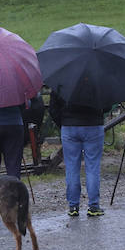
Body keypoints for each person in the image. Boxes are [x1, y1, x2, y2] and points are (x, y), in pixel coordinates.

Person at [49, 89, 106, 217]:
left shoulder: (62, 79)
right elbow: (107, 104)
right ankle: (93, 206)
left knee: (71, 167)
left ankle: (73, 206)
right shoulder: (98, 79)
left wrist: (63, 122)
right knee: (92, 167)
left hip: (69, 127)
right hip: (93, 125)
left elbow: (53, 108)